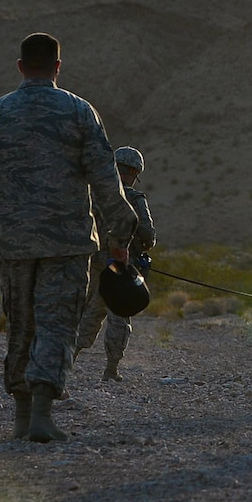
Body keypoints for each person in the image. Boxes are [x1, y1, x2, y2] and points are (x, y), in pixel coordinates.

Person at [0, 32, 138, 443]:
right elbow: (107, 180)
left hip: (17, 244)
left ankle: (23, 418)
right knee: (57, 326)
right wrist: (119, 236)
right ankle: (41, 413)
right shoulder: (79, 112)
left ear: (21, 66)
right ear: (58, 67)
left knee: (21, 325)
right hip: (69, 241)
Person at [75, 146, 158, 381]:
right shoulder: (133, 198)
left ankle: (64, 362)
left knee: (89, 312)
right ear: (133, 171)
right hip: (120, 265)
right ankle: (111, 369)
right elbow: (148, 234)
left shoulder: (93, 195)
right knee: (118, 316)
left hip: (91, 263)